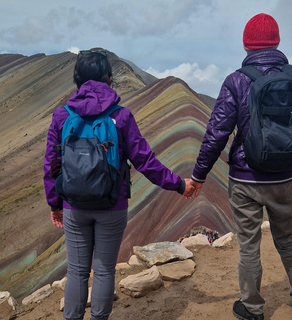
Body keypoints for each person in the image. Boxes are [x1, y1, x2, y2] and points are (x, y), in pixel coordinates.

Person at [187, 13, 292, 320]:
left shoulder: (237, 81)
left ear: (247, 44)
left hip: (245, 180)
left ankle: (252, 308)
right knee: (287, 239)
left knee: (249, 246)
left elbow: (217, 133)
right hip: (284, 177)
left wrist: (199, 176)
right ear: (276, 42)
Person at [43, 49, 194, 320]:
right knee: (103, 270)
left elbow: (51, 165)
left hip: (73, 206)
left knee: (76, 271)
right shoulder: (121, 117)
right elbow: (145, 162)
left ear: (77, 79)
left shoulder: (61, 116)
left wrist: (55, 203)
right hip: (112, 205)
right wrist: (179, 185)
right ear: (110, 79)